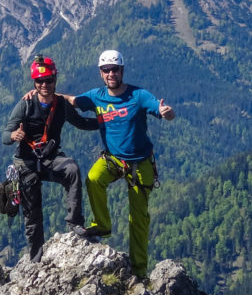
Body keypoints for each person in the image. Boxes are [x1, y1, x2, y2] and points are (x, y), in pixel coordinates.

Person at [71, 49, 175, 279]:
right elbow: (71, 100)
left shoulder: (138, 95)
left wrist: (166, 112)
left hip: (140, 163)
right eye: (106, 70)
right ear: (100, 72)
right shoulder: (95, 96)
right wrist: (40, 92)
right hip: (114, 159)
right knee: (93, 179)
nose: (110, 74)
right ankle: (102, 224)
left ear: (122, 70)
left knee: (138, 219)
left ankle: (139, 273)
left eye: (114, 69)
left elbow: (158, 108)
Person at [3, 55, 97, 262]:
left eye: (49, 81)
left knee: (71, 169)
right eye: (40, 81)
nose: (44, 85)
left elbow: (81, 122)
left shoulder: (62, 105)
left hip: (50, 160)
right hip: (26, 164)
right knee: (32, 216)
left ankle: (75, 223)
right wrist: (13, 136)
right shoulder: (25, 105)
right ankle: (36, 260)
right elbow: (5, 135)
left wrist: (107, 121)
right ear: (34, 83)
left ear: (55, 80)